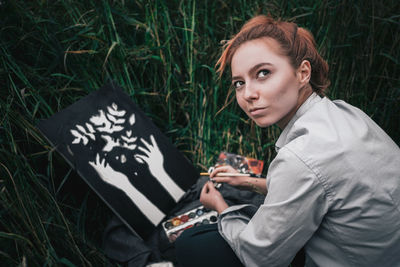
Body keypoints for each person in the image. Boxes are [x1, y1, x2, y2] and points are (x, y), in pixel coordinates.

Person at [175, 15, 400, 267]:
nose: (248, 94)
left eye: (263, 73)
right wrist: (248, 183)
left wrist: (220, 206)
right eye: (239, 83)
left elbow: (258, 257)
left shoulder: (301, 157)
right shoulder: (346, 112)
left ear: (303, 73)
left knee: (190, 244)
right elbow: (327, 188)